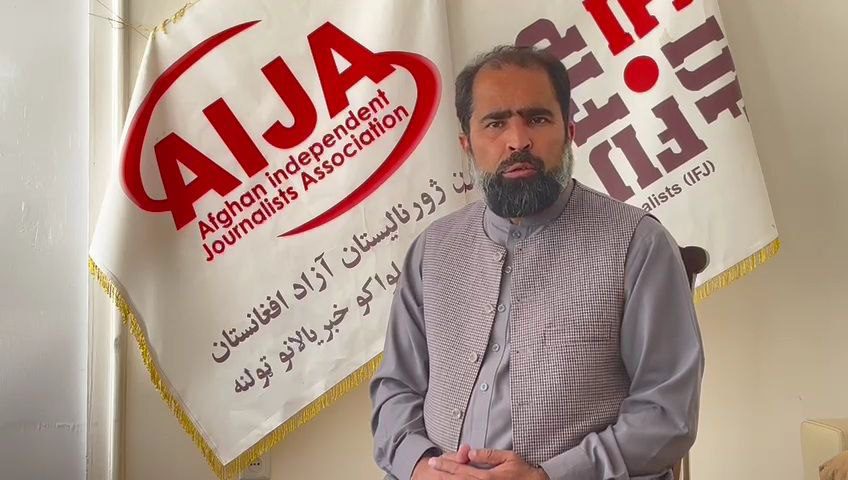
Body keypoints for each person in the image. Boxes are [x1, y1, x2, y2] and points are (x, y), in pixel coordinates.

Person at [370, 45, 704, 480]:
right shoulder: (432, 250)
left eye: (538, 119)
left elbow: (667, 413)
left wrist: (548, 476)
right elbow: (396, 388)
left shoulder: (638, 244)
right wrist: (419, 467)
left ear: (569, 131)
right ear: (466, 144)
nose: (518, 141)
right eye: (495, 123)